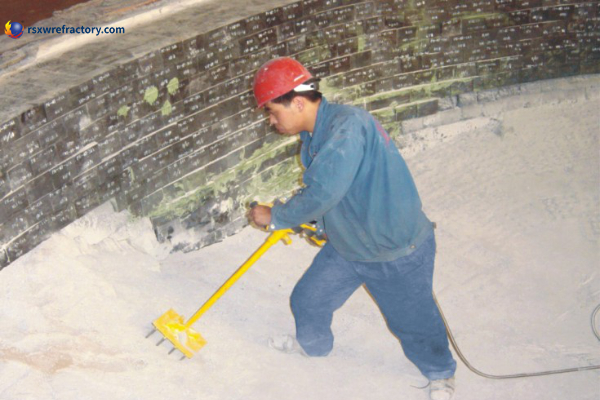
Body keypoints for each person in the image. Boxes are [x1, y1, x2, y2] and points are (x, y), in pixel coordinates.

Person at [248, 57, 457, 400]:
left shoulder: (347, 127)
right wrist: (318, 223)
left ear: (297, 102)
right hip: (349, 244)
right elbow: (337, 191)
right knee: (308, 300)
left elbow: (325, 190)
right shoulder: (317, 133)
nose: (271, 121)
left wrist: (278, 216)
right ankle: (312, 348)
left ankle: (440, 373)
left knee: (413, 322)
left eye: (272, 111)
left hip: (394, 248)